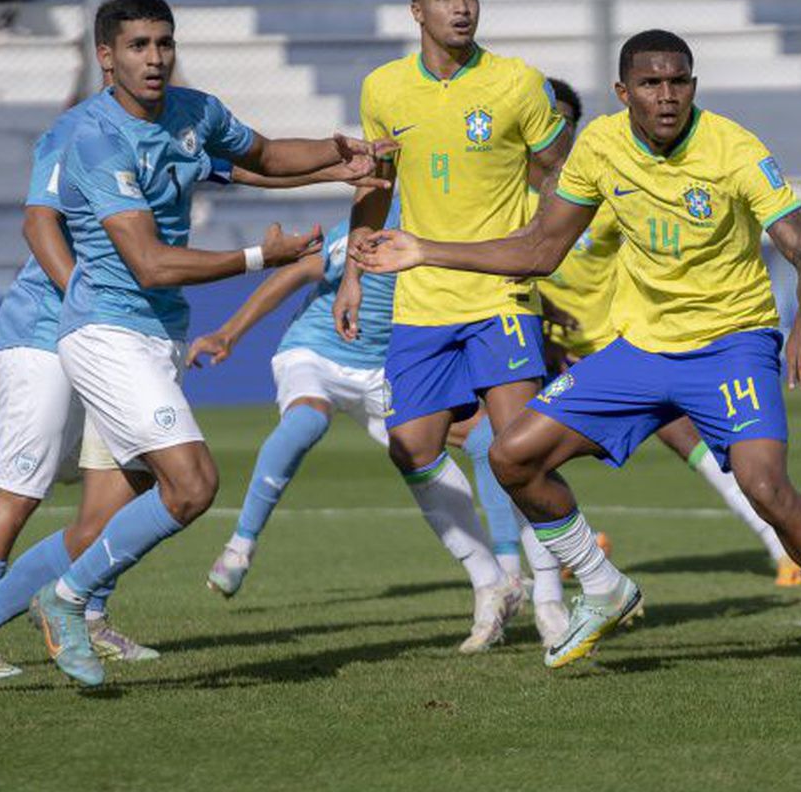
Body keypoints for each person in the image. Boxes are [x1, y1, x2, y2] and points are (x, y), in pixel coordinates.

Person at [357, 30, 801, 682]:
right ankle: (602, 586)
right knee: (512, 457)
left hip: (731, 343)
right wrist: (425, 250)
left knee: (766, 486)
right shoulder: (600, 147)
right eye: (651, 84)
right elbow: (539, 250)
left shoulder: (734, 148)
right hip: (641, 351)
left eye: (679, 82)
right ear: (624, 93)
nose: (667, 95)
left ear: (694, 86)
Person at [0, 0, 386, 701]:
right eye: (139, 45)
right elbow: (117, 251)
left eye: (164, 43)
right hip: (91, 325)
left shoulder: (193, 114)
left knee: (103, 520)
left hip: (154, 328)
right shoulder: (87, 135)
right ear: (105, 57)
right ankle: (66, 601)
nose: (156, 57)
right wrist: (259, 256)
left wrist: (338, 156)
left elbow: (253, 157)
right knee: (173, 484)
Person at [462, 78, 801, 590]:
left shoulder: (601, 185)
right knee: (496, 443)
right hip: (541, 343)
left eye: (564, 122)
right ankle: (555, 562)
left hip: (620, 342)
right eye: (545, 122)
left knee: (691, 440)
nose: (554, 132)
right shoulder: (507, 199)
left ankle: (778, 544)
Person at [190, 198, 554, 651]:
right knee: (306, 421)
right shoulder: (383, 219)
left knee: (485, 440)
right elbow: (297, 273)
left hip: (383, 370)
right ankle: (240, 548)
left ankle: (503, 576)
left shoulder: (455, 226)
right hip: (317, 353)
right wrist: (228, 332)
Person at [333, 0, 577, 648]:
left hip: (500, 294)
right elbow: (377, 185)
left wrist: (540, 239)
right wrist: (353, 273)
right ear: (417, 10)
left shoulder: (516, 82)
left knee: (517, 450)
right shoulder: (383, 88)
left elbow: (563, 170)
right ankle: (490, 581)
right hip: (422, 298)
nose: (461, 7)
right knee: (411, 445)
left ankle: (554, 597)